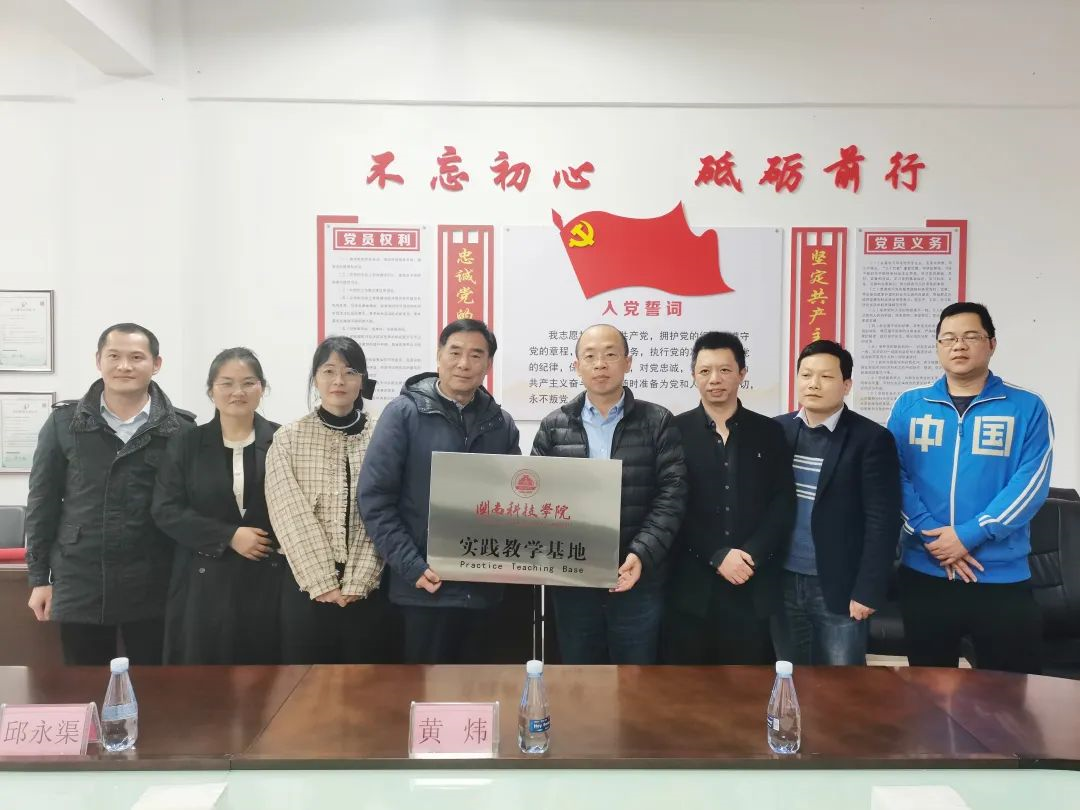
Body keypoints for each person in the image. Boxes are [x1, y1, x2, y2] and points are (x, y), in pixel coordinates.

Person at [887, 302, 1053, 674]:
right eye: (948, 338)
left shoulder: (1026, 407)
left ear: (991, 343)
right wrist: (932, 536)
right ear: (937, 346)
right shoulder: (910, 405)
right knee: (927, 691)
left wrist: (969, 534)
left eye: (970, 336)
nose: (958, 345)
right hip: (926, 572)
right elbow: (893, 475)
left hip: (999, 576)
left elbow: (1030, 482)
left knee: (1006, 694)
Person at [25, 323, 194, 665]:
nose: (124, 366)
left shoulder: (181, 429)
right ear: (98, 360)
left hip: (153, 577)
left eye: (136, 357)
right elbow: (42, 503)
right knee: (83, 683)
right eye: (114, 356)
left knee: (156, 684)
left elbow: (187, 509)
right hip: (80, 576)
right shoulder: (64, 423)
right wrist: (40, 579)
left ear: (156, 364)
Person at [358, 319, 521, 664]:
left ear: (488, 364)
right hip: (424, 587)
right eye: (455, 352)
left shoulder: (501, 423)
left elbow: (513, 503)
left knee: (480, 689)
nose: (464, 363)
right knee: (426, 691)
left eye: (476, 355)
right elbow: (375, 499)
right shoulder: (403, 414)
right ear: (438, 356)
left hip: (483, 592)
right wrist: (411, 565)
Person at [531, 324, 686, 664]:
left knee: (635, 676)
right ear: (577, 366)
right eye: (590, 356)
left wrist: (640, 554)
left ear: (628, 362)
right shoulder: (553, 426)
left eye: (611, 354)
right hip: (572, 577)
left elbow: (672, 496)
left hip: (636, 575)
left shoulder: (658, 421)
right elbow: (537, 500)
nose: (600, 364)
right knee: (578, 676)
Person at [663, 331, 795, 665]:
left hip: (752, 582)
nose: (715, 379)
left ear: (741, 373)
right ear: (693, 375)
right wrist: (716, 554)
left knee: (747, 687)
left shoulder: (769, 432)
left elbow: (782, 502)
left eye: (724, 370)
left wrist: (751, 554)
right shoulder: (674, 432)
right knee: (687, 687)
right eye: (705, 371)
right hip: (690, 586)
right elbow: (670, 505)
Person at [771, 340, 901, 665]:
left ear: (846, 385)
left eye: (826, 376)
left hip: (840, 586)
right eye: (806, 375)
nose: (813, 384)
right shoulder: (777, 430)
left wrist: (868, 590)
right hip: (782, 581)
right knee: (789, 675)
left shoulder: (871, 439)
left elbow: (883, 521)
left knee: (842, 685)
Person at [265, 336, 393, 664]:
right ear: (315, 378)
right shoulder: (288, 437)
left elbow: (385, 509)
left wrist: (361, 578)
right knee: (306, 684)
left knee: (367, 682)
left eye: (350, 372)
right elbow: (288, 512)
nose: (339, 381)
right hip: (305, 587)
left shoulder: (383, 435)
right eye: (329, 371)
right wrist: (321, 581)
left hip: (369, 586)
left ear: (362, 380)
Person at [152, 348, 283, 664]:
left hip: (270, 579)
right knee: (206, 679)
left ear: (262, 388)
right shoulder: (187, 443)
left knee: (268, 678)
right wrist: (229, 536)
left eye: (248, 383)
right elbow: (166, 510)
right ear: (211, 390)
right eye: (226, 383)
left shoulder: (283, 440)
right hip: (204, 582)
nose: (238, 392)